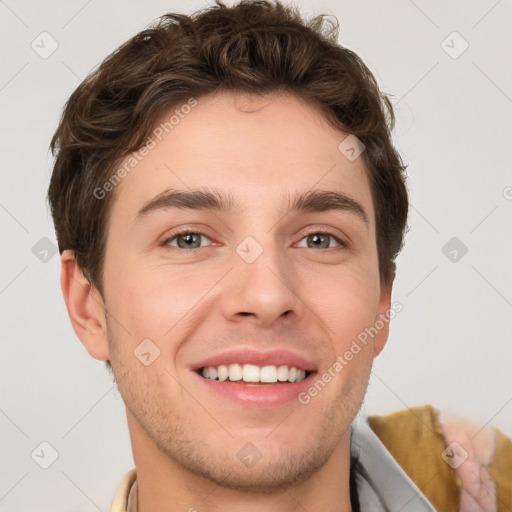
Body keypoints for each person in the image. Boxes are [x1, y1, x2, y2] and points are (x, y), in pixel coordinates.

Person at [47, 1, 511, 510]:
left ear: (382, 303)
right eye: (189, 239)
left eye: (319, 240)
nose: (267, 296)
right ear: (88, 304)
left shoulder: (486, 474)